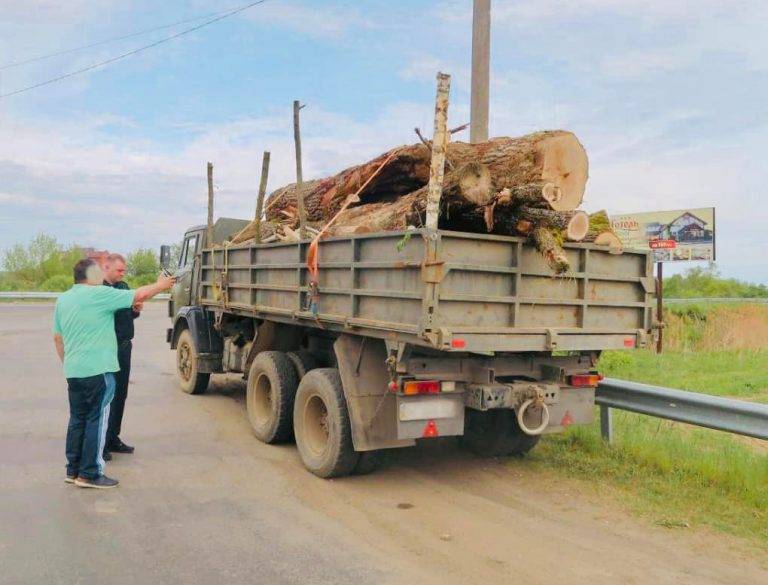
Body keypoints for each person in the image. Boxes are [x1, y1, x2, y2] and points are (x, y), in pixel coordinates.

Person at [53, 258, 174, 489]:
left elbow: (57, 338)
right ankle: (90, 473)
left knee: (77, 419)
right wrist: (161, 285)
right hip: (98, 370)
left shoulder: (63, 299)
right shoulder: (99, 295)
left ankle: (73, 469)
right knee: (95, 420)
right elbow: (139, 295)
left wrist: (68, 364)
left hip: (73, 370)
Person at [102, 253, 140, 458]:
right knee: (107, 395)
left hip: (125, 347)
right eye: (119, 270)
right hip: (109, 348)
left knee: (121, 394)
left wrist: (135, 309)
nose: (122, 273)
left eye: (124, 270)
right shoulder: (99, 290)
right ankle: (102, 443)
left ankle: (113, 437)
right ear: (106, 267)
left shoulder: (123, 287)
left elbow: (129, 313)